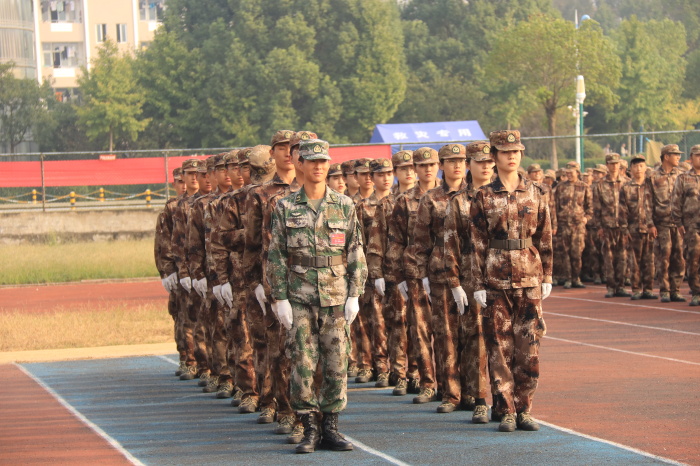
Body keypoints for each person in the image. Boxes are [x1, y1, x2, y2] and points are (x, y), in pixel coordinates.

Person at [267, 138, 367, 454]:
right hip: (299, 296)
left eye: (323, 161)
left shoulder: (344, 205)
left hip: (335, 296)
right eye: (312, 161)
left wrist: (355, 293)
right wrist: (279, 298)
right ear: (301, 164)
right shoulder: (285, 206)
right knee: (302, 361)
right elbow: (276, 254)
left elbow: (355, 249)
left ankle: (331, 427)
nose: (318, 167)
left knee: (337, 362)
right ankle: (309, 426)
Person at [470, 130, 552, 433]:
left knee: (529, 347)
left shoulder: (536, 192)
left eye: (516, 151)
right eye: (505, 152)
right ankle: (505, 410)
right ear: (494, 156)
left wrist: (548, 275)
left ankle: (525, 409)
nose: (512, 156)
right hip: (495, 279)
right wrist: (477, 283)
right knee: (499, 348)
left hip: (529, 277)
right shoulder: (484, 196)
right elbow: (476, 243)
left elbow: (545, 236)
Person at [243, 133, 299, 433]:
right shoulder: (262, 194)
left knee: (309, 352)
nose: (288, 153)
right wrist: (255, 282)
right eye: (281, 148)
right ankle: (284, 408)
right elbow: (252, 243)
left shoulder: (315, 190)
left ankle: (308, 414)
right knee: (278, 349)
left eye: (293, 148)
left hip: (312, 283)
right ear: (272, 154)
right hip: (276, 284)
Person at [408, 143, 467, 414]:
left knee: (472, 337)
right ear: (443, 166)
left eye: (461, 160)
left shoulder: (475, 194)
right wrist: (420, 275)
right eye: (451, 161)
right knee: (446, 336)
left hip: (472, 274)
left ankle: (472, 393)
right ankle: (450, 392)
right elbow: (420, 241)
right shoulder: (431, 199)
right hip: (441, 275)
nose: (457, 165)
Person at [444, 141, 494, 423]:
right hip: (471, 278)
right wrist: (454, 282)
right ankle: (479, 398)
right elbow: (450, 243)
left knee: (504, 342)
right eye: (479, 161)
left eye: (489, 161)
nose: (485, 166)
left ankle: (506, 401)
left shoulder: (506, 196)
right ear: (469, 165)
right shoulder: (460, 201)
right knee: (475, 340)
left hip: (503, 276)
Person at [390, 147, 440, 403]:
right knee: (420, 330)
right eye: (421, 165)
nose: (427, 169)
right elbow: (396, 240)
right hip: (416, 273)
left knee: (448, 333)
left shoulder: (452, 196)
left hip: (446, 272)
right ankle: (426, 382)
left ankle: (449, 385)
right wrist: (398, 276)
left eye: (432, 164)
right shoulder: (404, 201)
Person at [367, 150, 416, 395]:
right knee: (397, 323)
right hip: (395, 272)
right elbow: (376, 241)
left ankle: (417, 373)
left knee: (419, 326)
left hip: (421, 272)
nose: (408, 172)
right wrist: (376, 273)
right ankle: (399, 372)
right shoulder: (387, 203)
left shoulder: (425, 199)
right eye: (403, 169)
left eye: (411, 168)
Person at [355, 158, 394, 387]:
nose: (385, 178)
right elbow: (358, 241)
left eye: (389, 173)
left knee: (398, 322)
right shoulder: (362, 206)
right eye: (380, 174)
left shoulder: (399, 201)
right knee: (373, 320)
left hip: (396, 270)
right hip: (371, 271)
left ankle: (400, 369)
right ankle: (376, 366)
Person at [169, 158, 205, 380]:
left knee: (206, 321)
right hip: (186, 271)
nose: (192, 178)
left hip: (205, 271)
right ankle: (189, 360)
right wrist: (173, 271)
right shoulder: (176, 207)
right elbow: (171, 241)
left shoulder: (208, 202)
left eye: (196, 173)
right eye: (188, 174)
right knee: (186, 317)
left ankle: (206, 365)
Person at [154, 167, 187, 375]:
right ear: (173, 184)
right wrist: (167, 271)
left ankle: (201, 361)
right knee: (181, 316)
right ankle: (186, 358)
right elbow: (162, 241)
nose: (184, 185)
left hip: (196, 271)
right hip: (177, 272)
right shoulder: (171, 208)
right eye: (179, 181)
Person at [648, 144, 686, 303]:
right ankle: (664, 290)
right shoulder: (653, 177)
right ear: (666, 156)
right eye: (675, 154)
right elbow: (647, 202)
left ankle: (675, 290)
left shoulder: (682, 175)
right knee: (663, 259)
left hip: (679, 225)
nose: (678, 157)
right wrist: (650, 224)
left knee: (679, 258)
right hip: (661, 224)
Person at [619, 154, 656, 300]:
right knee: (634, 261)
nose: (638, 169)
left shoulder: (652, 185)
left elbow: (656, 206)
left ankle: (648, 289)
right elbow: (622, 210)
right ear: (630, 169)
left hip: (650, 228)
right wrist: (624, 229)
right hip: (633, 229)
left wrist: (655, 225)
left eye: (641, 166)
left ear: (646, 168)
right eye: (635, 166)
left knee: (650, 260)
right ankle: (636, 289)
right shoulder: (626, 187)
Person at [593, 153, 631, 298]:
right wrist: (599, 227)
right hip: (607, 226)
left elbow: (631, 206)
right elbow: (597, 207)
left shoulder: (627, 182)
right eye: (611, 164)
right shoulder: (600, 184)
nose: (614, 166)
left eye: (616, 163)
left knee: (622, 257)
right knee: (608, 258)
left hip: (623, 226)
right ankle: (611, 287)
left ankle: (620, 286)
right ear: (607, 165)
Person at [554, 162, 592, 288]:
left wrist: (586, 218)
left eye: (571, 172)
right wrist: (555, 224)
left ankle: (576, 278)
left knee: (577, 253)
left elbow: (590, 207)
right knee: (564, 253)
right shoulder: (560, 187)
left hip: (578, 226)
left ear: (577, 172)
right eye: (567, 173)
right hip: (563, 225)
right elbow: (555, 207)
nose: (569, 175)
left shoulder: (584, 187)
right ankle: (568, 278)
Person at [671, 145, 700, 306]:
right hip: (692, 226)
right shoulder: (683, 178)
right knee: (693, 259)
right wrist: (679, 223)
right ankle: (696, 292)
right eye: (697, 155)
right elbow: (676, 202)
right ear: (691, 158)